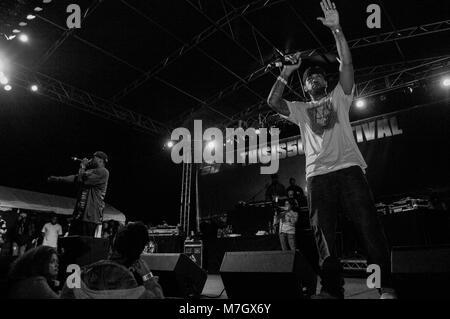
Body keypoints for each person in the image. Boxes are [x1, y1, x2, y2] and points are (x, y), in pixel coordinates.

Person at [267, 0, 394, 299]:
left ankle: (384, 286)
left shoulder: (340, 96)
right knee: (324, 238)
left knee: (368, 229)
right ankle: (332, 290)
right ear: (306, 87)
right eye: (309, 78)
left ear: (327, 81)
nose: (314, 78)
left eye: (319, 76)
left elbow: (346, 64)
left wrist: (336, 29)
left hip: (349, 170)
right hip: (318, 176)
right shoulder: (299, 109)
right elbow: (273, 102)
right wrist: (286, 72)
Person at [60, 222, 164, 299]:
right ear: (138, 255)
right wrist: (149, 278)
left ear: (113, 246)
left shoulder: (76, 278)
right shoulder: (130, 287)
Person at [48, 151, 110, 237]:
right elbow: (76, 177)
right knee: (72, 241)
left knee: (83, 244)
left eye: (93, 157)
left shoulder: (103, 172)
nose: (90, 159)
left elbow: (82, 180)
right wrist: (58, 179)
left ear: (100, 160)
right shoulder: (90, 171)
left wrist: (83, 166)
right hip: (79, 215)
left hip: (90, 216)